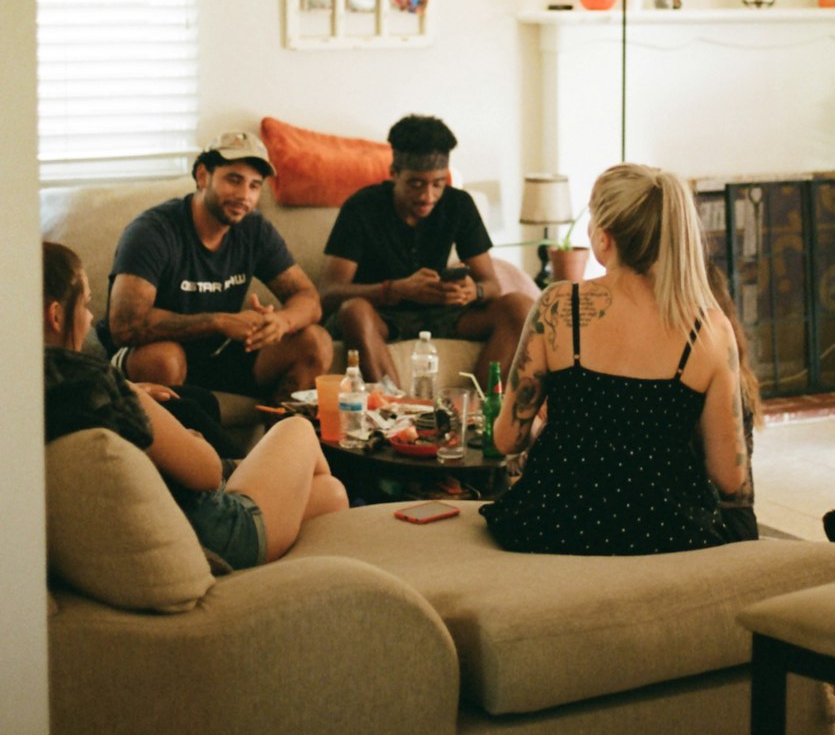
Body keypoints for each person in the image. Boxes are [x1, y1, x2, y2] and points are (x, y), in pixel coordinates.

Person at [480, 163, 748, 555]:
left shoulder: (559, 306)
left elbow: (506, 440)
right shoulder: (710, 329)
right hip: (669, 535)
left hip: (555, 525)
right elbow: (729, 477)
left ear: (604, 240)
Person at [43, 242, 348, 568]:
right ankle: (324, 575)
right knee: (298, 427)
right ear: (57, 315)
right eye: (87, 305)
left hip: (174, 518)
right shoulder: (101, 387)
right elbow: (206, 472)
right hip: (218, 535)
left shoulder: (38, 388)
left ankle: (319, 572)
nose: (91, 319)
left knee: (332, 494)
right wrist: (189, 439)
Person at [96, 130, 332, 403]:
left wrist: (281, 322)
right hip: (149, 353)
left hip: (220, 353)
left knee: (316, 342)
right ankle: (176, 445)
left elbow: (308, 298)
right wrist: (220, 322)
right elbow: (125, 325)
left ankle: (282, 443)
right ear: (202, 176)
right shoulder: (153, 232)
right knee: (166, 358)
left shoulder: (254, 230)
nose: (245, 195)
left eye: (255, 186)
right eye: (234, 180)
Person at [319, 114, 532, 388]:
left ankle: (478, 412)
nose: (428, 196)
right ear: (394, 173)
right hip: (382, 315)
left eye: (438, 184)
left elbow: (491, 284)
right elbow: (328, 293)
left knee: (520, 306)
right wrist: (395, 289)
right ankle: (394, 410)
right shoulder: (361, 207)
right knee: (354, 312)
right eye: (416, 184)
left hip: (442, 314)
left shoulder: (460, 205)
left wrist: (472, 291)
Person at [706, 258, 762, 542]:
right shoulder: (733, 364)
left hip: (724, 521)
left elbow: (726, 482)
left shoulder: (710, 370)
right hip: (735, 517)